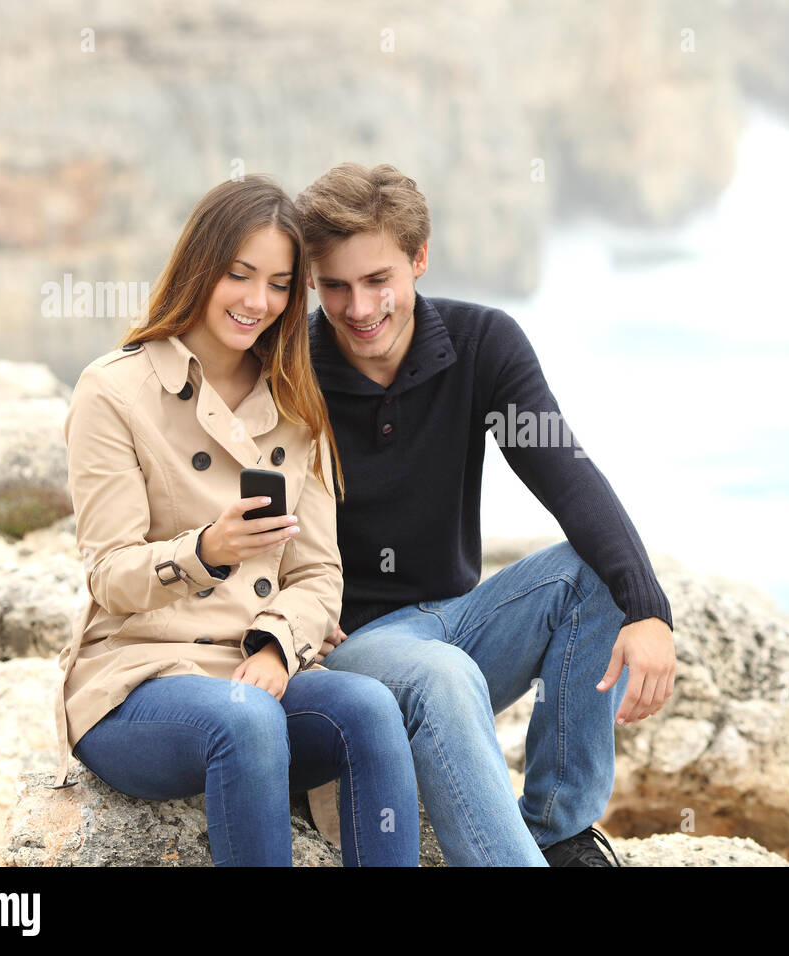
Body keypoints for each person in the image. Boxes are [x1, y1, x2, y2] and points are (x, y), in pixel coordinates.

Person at [293, 163, 677, 866]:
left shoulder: (482, 345)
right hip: (345, 653)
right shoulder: (289, 368)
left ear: (419, 259)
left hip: (455, 624)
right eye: (335, 286)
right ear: (313, 281)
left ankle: (557, 831)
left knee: (592, 573)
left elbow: (569, 474)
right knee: (440, 672)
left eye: (379, 280)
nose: (358, 308)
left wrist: (647, 608)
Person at [49, 175, 419, 867]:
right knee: (244, 719)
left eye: (280, 284)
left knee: (369, 709)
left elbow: (316, 574)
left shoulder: (294, 403)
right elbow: (110, 578)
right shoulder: (114, 391)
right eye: (239, 274)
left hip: (251, 674)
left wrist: (278, 647)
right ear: (200, 267)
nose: (258, 301)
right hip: (136, 683)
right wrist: (207, 550)